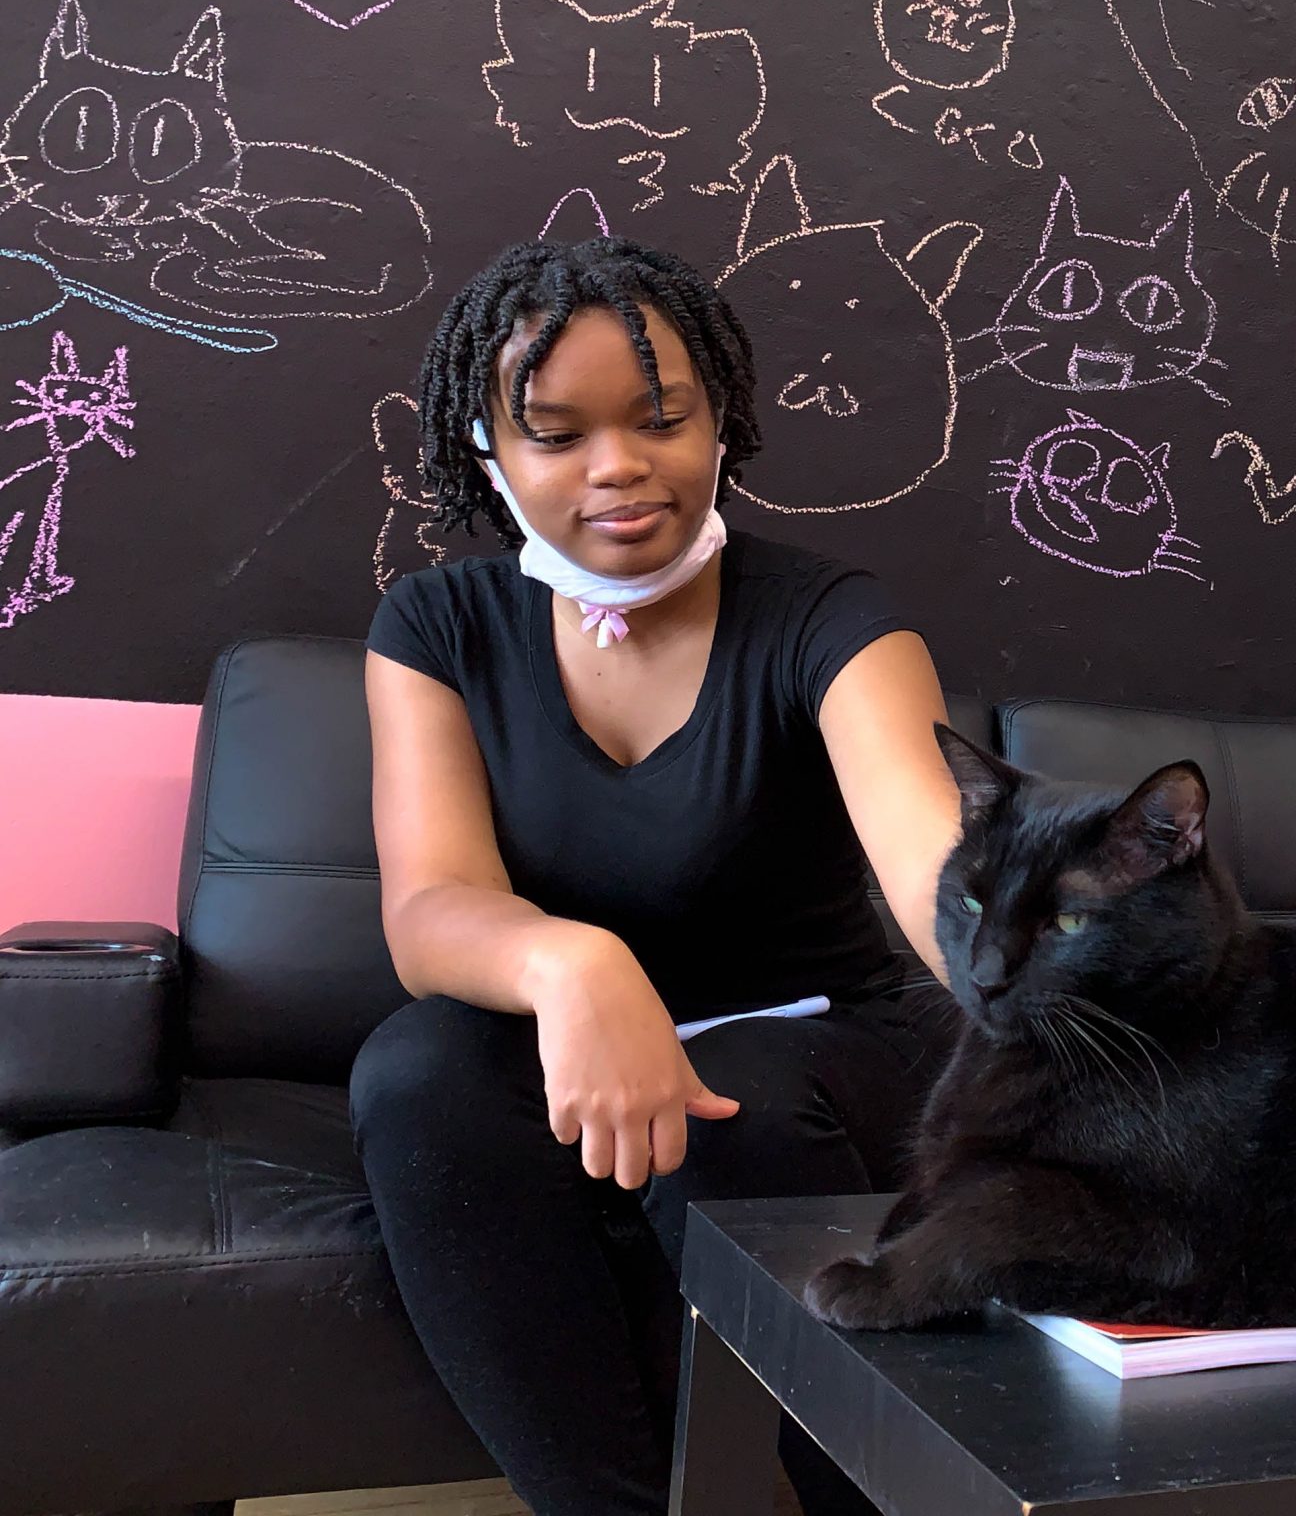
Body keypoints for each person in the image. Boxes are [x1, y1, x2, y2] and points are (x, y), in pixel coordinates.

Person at [355, 235, 961, 1516]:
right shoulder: (435, 627)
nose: (618, 467)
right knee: (417, 1073)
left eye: (660, 419)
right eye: (556, 434)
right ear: (491, 452)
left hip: (819, 1044)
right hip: (563, 1034)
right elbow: (428, 909)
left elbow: (938, 871)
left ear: (720, 421)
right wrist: (572, 960)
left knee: (727, 1102)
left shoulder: (832, 617)